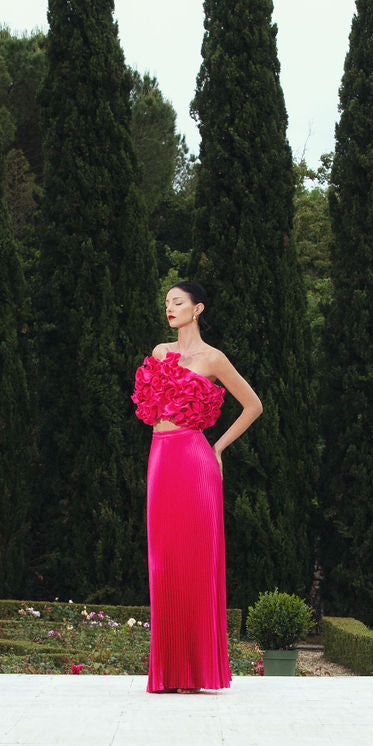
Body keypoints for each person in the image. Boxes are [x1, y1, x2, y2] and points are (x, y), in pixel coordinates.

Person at [132, 282, 262, 693]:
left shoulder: (213, 358)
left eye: (178, 302)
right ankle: (170, 672)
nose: (169, 308)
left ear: (197, 308)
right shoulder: (159, 353)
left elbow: (253, 405)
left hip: (194, 460)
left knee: (197, 564)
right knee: (163, 563)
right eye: (166, 302)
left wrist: (218, 447)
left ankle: (198, 673)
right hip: (160, 459)